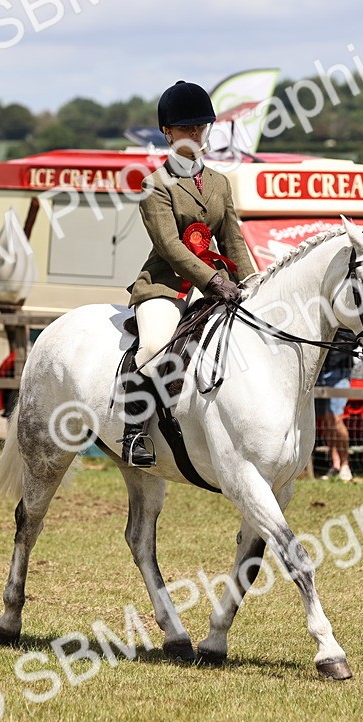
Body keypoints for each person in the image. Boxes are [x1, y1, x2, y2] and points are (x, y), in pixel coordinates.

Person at [121, 80, 255, 467]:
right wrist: (213, 281)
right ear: (167, 132)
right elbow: (170, 246)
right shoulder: (154, 185)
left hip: (219, 282)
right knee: (153, 347)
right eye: (186, 128)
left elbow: (234, 241)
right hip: (166, 283)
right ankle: (135, 435)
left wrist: (251, 285)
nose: (195, 134)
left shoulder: (219, 183)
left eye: (200, 127)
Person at [315, 330, 356, 481]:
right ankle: (335, 464)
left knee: (335, 419)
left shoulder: (346, 322)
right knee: (326, 422)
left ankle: (345, 465)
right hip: (320, 372)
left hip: (339, 372)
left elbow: (352, 341)